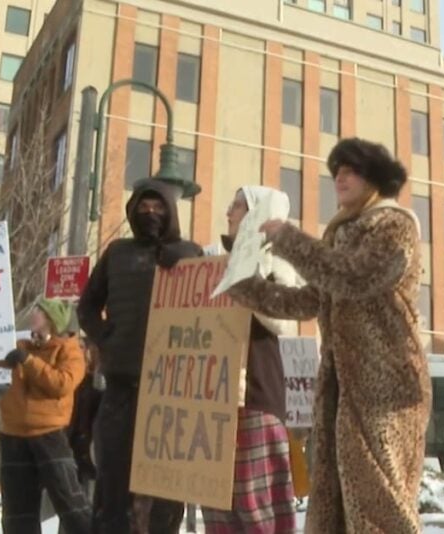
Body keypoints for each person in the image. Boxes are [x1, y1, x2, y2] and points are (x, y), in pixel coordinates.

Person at [229, 137, 430, 533]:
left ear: (376, 178)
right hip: (340, 389)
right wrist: (244, 286)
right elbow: (309, 300)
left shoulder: (396, 224)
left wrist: (289, 239)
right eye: (336, 169)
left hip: (386, 389)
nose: (340, 176)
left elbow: (355, 276)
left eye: (352, 169)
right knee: (335, 502)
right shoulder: (339, 235)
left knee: (382, 504)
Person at [77, 179, 203, 534]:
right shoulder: (117, 253)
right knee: (114, 480)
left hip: (172, 391)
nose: (151, 213)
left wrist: (185, 264)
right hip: (121, 386)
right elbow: (87, 306)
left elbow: (211, 306)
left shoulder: (191, 253)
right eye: (144, 206)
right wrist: (106, 338)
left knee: (165, 490)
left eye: (159, 206)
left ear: (171, 211)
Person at [202, 186, 298, 533]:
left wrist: (247, 272)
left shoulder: (277, 260)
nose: (228, 213)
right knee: (216, 505)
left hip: (256, 398)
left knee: (256, 509)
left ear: (258, 213)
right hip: (213, 401)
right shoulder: (210, 261)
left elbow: (284, 321)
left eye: (238, 206)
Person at [0, 299, 90, 534]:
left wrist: (28, 362)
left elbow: (62, 384)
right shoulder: (21, 345)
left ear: (51, 320)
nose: (33, 312)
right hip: (13, 435)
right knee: (17, 513)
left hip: (48, 434)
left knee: (70, 502)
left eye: (38, 310)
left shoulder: (70, 350)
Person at [68, 338, 102, 498]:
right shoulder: (76, 381)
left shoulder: (98, 383)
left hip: (91, 448)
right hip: (75, 448)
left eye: (83, 347)